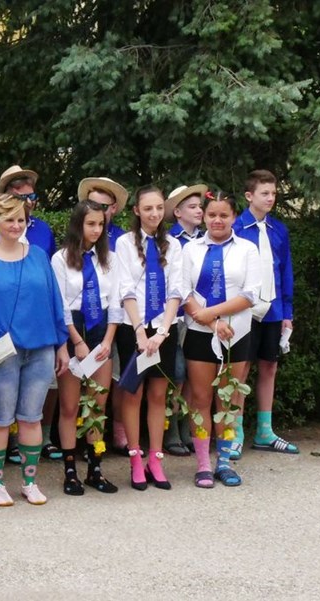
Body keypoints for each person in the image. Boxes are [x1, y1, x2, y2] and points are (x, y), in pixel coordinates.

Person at [0, 193, 69, 506]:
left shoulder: (38, 256)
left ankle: (29, 481)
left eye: (21, 219)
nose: (16, 225)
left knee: (32, 417)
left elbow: (55, 301)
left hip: (41, 347)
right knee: (0, 418)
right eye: (9, 219)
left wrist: (62, 344)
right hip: (1, 352)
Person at [182, 191, 261, 487]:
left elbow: (250, 295)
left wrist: (214, 314)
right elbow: (183, 292)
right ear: (204, 216)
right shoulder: (190, 249)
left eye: (223, 215)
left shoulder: (247, 249)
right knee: (200, 399)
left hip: (235, 333)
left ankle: (224, 462)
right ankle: (203, 463)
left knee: (227, 401)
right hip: (199, 332)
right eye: (212, 214)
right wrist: (211, 322)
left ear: (233, 217)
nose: (217, 220)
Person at [115, 185, 184, 491]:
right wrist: (140, 333)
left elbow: (176, 290)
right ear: (136, 211)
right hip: (134, 328)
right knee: (133, 394)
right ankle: (135, 458)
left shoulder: (173, 245)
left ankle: (155, 459)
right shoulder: (125, 243)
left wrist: (163, 332)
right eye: (147, 208)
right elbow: (125, 288)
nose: (154, 213)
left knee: (158, 395)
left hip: (164, 329)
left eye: (158, 208)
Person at [51, 199, 121, 496]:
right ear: (78, 224)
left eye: (100, 224)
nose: (96, 229)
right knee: (70, 406)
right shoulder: (61, 259)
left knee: (97, 406)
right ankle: (70, 472)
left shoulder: (110, 259)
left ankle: (95, 469)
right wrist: (76, 342)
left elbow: (115, 302)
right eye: (90, 223)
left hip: (101, 331)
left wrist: (107, 340)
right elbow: (60, 304)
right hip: (74, 330)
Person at [0, 165, 59, 460]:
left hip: (38, 329)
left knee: (36, 399)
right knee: (3, 403)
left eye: (31, 196)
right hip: (4, 332)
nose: (28, 202)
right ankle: (4, 451)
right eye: (21, 197)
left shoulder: (41, 233)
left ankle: (37, 448)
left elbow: (50, 285)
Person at [233, 170, 298, 455]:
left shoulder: (278, 230)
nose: (271, 198)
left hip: (273, 308)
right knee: (241, 368)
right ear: (249, 196)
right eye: (265, 193)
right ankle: (234, 432)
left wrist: (287, 312)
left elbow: (285, 271)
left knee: (269, 366)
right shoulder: (236, 227)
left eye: (273, 193)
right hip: (244, 310)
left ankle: (264, 431)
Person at [77, 177, 130, 454]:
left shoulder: (121, 240)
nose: (100, 212)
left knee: (114, 378)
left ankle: (112, 434)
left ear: (114, 209)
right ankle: (74, 442)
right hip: (80, 323)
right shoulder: (70, 250)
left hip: (113, 320)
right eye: (94, 205)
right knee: (75, 383)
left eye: (105, 207)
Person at [162, 184, 208, 457]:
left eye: (200, 206)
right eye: (192, 207)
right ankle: (171, 429)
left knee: (193, 374)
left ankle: (186, 426)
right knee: (176, 374)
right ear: (177, 212)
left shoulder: (205, 239)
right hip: (179, 315)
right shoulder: (170, 240)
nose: (199, 210)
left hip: (201, 316)